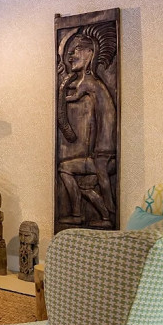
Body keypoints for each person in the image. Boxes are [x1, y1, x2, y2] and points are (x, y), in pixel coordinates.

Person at [57, 24, 118, 227]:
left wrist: (63, 84)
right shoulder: (87, 81)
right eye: (71, 50)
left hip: (103, 151)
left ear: (90, 53)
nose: (71, 55)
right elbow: (69, 98)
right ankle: (94, 216)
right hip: (98, 152)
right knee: (82, 181)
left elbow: (69, 97)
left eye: (76, 50)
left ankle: (108, 214)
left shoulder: (90, 82)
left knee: (99, 180)